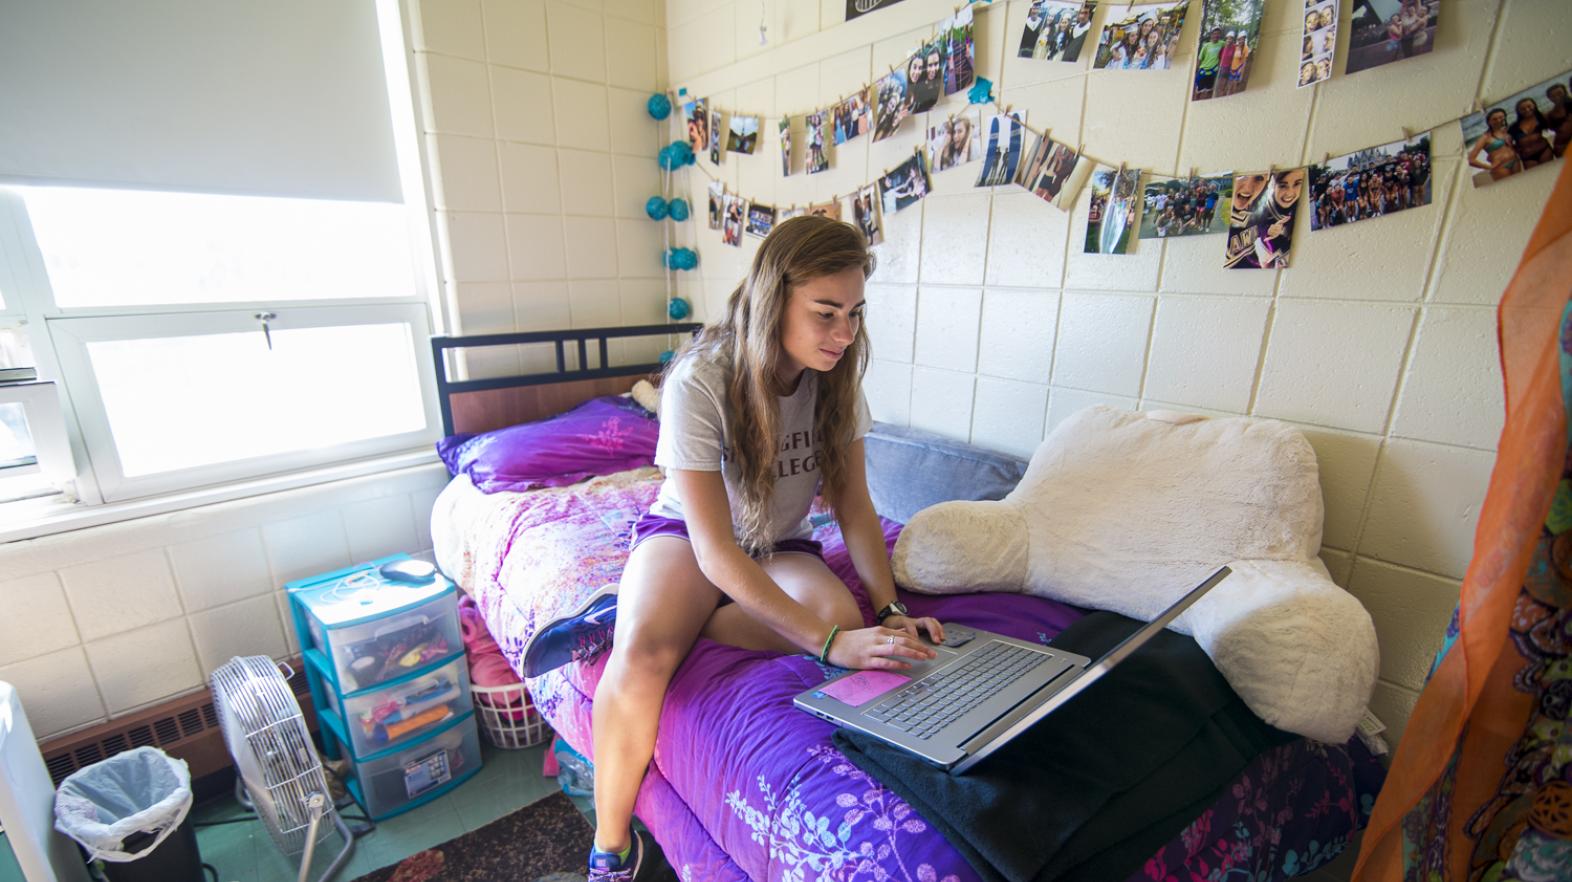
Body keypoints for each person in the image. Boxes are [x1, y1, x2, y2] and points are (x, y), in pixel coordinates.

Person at [526, 216, 945, 882]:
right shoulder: (701, 380)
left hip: (780, 543)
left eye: (855, 314)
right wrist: (828, 644)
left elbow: (856, 508)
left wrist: (888, 606)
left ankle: (652, 613)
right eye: (826, 313)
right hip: (692, 540)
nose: (844, 335)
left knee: (841, 613)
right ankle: (612, 852)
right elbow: (716, 551)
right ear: (775, 298)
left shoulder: (833, 381)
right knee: (642, 655)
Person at [1510, 96, 1556, 169]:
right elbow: (1508, 144)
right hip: (1527, 156)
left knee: (1550, 171)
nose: (1527, 109)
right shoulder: (1514, 127)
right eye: (1522, 109)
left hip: (1544, 151)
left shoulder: (1542, 118)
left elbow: (1557, 128)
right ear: (1518, 111)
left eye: (1529, 106)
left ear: (1534, 106)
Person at [1196, 27, 1225, 98]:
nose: (1216, 35)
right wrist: (1196, 70)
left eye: (1218, 34)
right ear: (1211, 35)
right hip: (1203, 70)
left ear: (1220, 35)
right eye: (1214, 34)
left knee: (1209, 90)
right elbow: (1199, 58)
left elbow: (1231, 45)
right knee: (1198, 91)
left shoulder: (1222, 43)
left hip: (1213, 71)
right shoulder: (1206, 46)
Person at [1547, 82, 1572, 158]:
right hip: (1562, 146)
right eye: (1553, 96)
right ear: (1549, 98)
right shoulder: (1551, 114)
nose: (1557, 97)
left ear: (1565, 92)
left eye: (1559, 93)